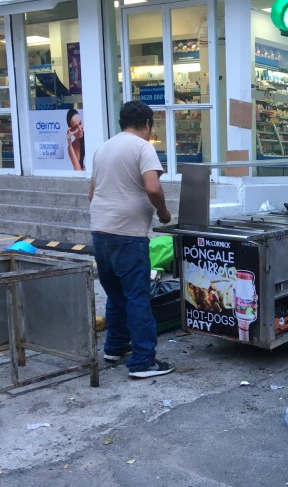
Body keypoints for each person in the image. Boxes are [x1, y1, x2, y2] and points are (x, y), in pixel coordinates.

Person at [89, 100, 174, 378]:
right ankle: (142, 362)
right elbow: (152, 187)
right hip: (128, 234)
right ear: (148, 124)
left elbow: (92, 193)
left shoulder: (103, 149)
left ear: (120, 122)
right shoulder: (143, 147)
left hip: (100, 230)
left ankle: (114, 347)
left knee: (115, 295)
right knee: (137, 297)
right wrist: (163, 212)